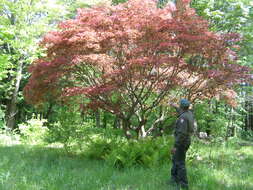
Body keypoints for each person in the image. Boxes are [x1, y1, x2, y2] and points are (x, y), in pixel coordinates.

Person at [169, 99, 194, 190]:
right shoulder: (189, 113)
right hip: (186, 141)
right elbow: (180, 110)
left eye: (179, 106)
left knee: (179, 163)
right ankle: (174, 180)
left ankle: (184, 185)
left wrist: (175, 146)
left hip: (181, 142)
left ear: (182, 107)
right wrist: (173, 105)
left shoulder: (182, 118)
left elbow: (182, 134)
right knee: (175, 160)